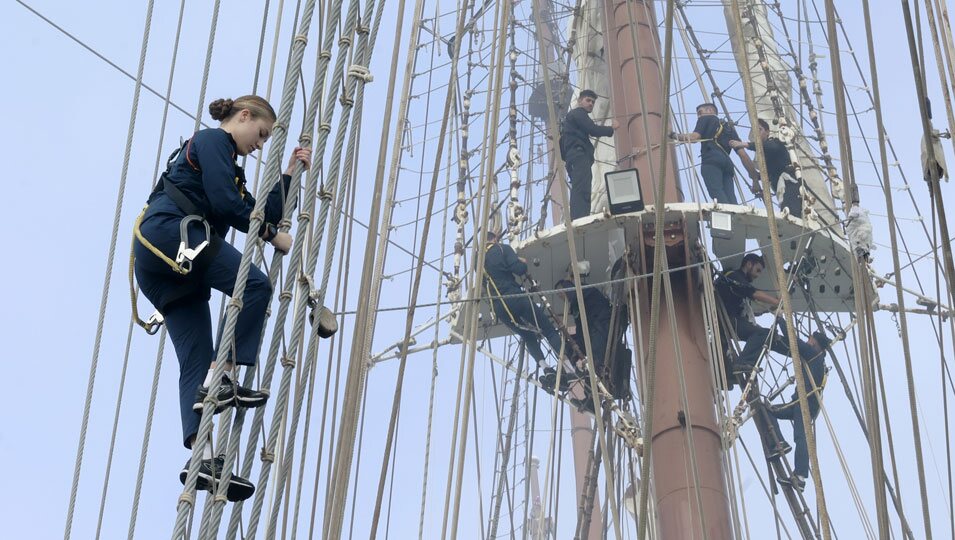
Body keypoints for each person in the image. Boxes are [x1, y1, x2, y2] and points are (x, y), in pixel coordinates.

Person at [133, 95, 312, 501]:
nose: (260, 144)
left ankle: (202, 458)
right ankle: (226, 374)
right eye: (261, 134)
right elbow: (226, 204)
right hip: (171, 233)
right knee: (255, 286)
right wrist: (270, 235)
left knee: (195, 357)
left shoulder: (229, 168)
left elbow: (255, 210)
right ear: (244, 116)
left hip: (166, 265)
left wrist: (289, 177)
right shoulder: (213, 142)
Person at [483, 229, 573, 374]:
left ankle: (546, 369)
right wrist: (522, 262)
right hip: (515, 297)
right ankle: (570, 369)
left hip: (500, 308)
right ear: (494, 239)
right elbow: (518, 269)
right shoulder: (502, 248)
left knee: (527, 335)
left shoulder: (478, 262)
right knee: (548, 329)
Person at [769, 328, 831, 492]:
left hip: (805, 404)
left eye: (810, 339)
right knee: (768, 411)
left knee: (800, 437)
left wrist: (781, 317)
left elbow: (793, 341)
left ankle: (800, 476)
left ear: (815, 343)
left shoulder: (813, 355)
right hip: (800, 403)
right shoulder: (818, 360)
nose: (808, 342)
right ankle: (779, 443)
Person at [714, 253, 789, 375]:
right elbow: (753, 293)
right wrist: (779, 302)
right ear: (749, 264)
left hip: (730, 321)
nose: (757, 275)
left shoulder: (734, 278)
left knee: (768, 335)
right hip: (727, 320)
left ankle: (731, 374)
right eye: (757, 270)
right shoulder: (733, 275)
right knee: (762, 333)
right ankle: (744, 362)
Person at [670, 103, 758, 204]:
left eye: (700, 113)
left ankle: (727, 215)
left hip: (711, 160)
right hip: (727, 164)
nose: (698, 116)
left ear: (710, 111)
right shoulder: (729, 128)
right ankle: (736, 217)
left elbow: (694, 138)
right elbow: (743, 155)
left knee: (717, 194)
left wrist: (673, 135)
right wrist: (755, 179)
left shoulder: (705, 119)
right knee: (731, 199)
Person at [559, 89, 619, 219]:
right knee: (581, 189)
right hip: (578, 156)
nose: (591, 103)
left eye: (593, 102)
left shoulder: (573, 118)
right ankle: (579, 218)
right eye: (588, 100)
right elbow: (592, 129)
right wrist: (611, 129)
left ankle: (581, 216)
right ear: (580, 101)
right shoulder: (578, 113)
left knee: (583, 187)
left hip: (576, 157)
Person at [731, 119, 802, 216]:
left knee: (791, 214)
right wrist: (756, 179)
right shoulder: (764, 156)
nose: (756, 134)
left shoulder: (775, 142)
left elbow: (772, 147)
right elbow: (769, 173)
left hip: (791, 185)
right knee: (787, 213)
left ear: (768, 132)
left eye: (759, 130)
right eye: (754, 132)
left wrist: (745, 144)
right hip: (782, 188)